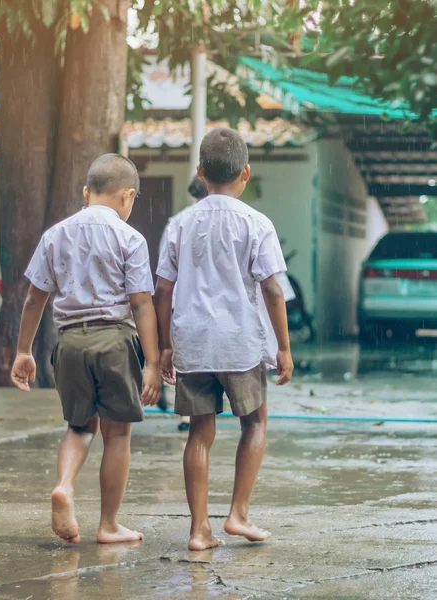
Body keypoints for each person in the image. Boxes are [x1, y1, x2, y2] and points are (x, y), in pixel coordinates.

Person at [155, 128, 294, 551]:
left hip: (192, 341)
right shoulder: (256, 222)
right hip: (240, 342)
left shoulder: (180, 223)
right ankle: (238, 514)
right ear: (245, 172)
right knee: (254, 422)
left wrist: (163, 346)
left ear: (200, 172)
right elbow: (272, 290)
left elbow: (162, 290)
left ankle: (199, 530)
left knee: (199, 432)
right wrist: (284, 348)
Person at [11, 154, 161, 545]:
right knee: (118, 435)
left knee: (79, 427)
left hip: (70, 342)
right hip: (114, 341)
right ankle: (109, 525)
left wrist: (23, 351)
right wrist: (153, 361)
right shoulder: (130, 238)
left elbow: (33, 299)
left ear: (85, 192)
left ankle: (64, 485)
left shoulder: (56, 234)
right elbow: (142, 302)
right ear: (128, 196)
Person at [157, 175, 209, 431]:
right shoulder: (237, 219)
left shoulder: (177, 222)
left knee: (183, 358)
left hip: (182, 301)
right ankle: (203, 409)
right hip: (212, 305)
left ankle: (186, 415)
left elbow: (164, 278)